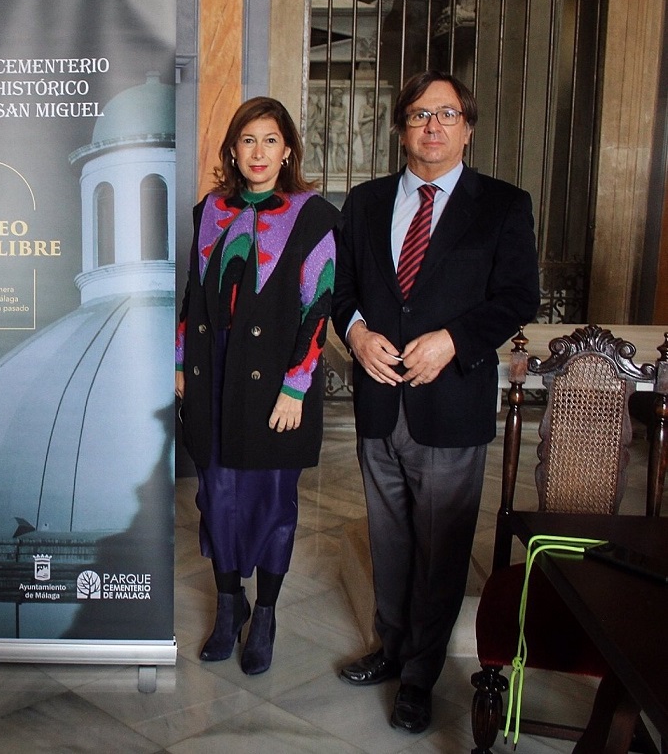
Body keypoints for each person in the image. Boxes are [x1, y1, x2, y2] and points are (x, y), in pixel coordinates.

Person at [332, 70, 539, 733]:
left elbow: (517, 298)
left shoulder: (504, 205)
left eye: (447, 114)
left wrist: (452, 339)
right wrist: (358, 331)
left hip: (450, 401)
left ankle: (420, 675)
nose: (433, 125)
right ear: (401, 128)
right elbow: (342, 294)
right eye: (421, 114)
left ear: (467, 128)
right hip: (378, 402)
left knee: (442, 544)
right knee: (389, 539)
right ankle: (390, 648)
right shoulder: (363, 204)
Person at [176, 97, 338, 675]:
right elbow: (193, 295)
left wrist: (296, 388)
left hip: (275, 379)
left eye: (271, 140)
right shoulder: (208, 212)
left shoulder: (313, 214)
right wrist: (179, 363)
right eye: (248, 140)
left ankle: (264, 613)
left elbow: (320, 305)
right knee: (215, 497)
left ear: (288, 148)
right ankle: (228, 606)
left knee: (272, 503)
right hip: (212, 374)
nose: (259, 152)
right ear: (232, 150)